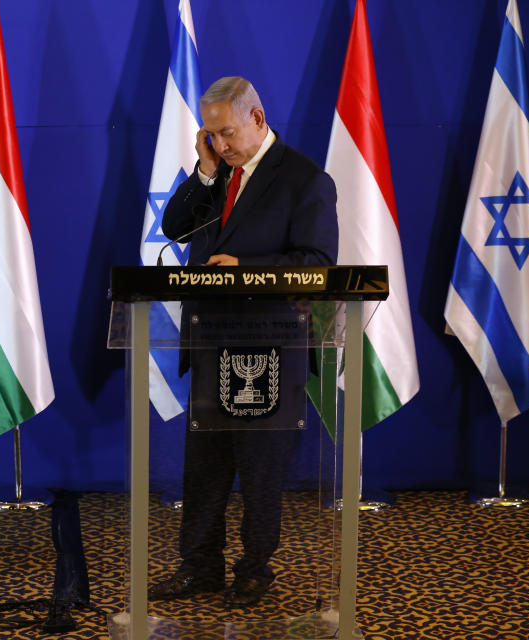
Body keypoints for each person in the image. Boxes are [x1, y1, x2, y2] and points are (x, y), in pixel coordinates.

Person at [150, 76, 338, 608]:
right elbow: (172, 227)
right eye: (211, 136)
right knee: (204, 466)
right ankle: (200, 565)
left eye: (226, 134)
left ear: (257, 119)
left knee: (260, 467)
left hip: (268, 346)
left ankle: (255, 569)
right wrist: (205, 173)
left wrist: (245, 268)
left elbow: (319, 265)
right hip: (212, 342)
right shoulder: (217, 174)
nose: (221, 145)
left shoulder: (304, 179)